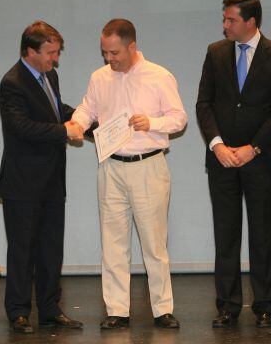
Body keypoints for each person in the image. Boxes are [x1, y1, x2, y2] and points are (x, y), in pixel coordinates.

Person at [70, 18, 187, 330]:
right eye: (105, 53)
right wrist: (77, 124)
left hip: (148, 165)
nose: (109, 59)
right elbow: (87, 109)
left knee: (154, 243)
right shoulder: (99, 78)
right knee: (113, 243)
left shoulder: (159, 76)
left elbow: (179, 118)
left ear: (132, 46)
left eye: (114, 53)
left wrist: (153, 122)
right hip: (111, 166)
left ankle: (162, 309)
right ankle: (117, 310)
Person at [196, 0, 271, 329]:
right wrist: (218, 146)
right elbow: (204, 104)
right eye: (224, 19)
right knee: (226, 234)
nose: (225, 25)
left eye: (231, 20)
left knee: (263, 233)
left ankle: (265, 306)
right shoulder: (215, 52)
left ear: (250, 22)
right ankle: (227, 306)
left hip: (260, 160)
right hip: (221, 159)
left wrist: (254, 148)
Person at [0, 21, 83, 334]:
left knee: (50, 249)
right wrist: (64, 131)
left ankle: (49, 309)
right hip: (22, 183)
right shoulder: (12, 82)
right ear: (30, 51)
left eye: (56, 53)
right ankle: (19, 312)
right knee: (23, 250)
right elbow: (22, 127)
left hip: (50, 180)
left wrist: (88, 118)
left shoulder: (50, 76)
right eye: (50, 53)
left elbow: (57, 110)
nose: (55, 59)